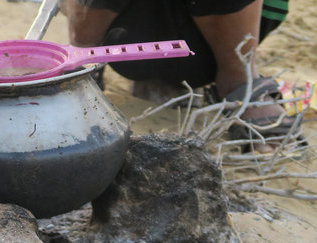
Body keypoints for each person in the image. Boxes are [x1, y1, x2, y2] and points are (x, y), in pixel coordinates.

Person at [62, 0, 295, 153]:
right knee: (86, 43)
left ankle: (240, 76)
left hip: (234, 25)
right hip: (120, 28)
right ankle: (85, 54)